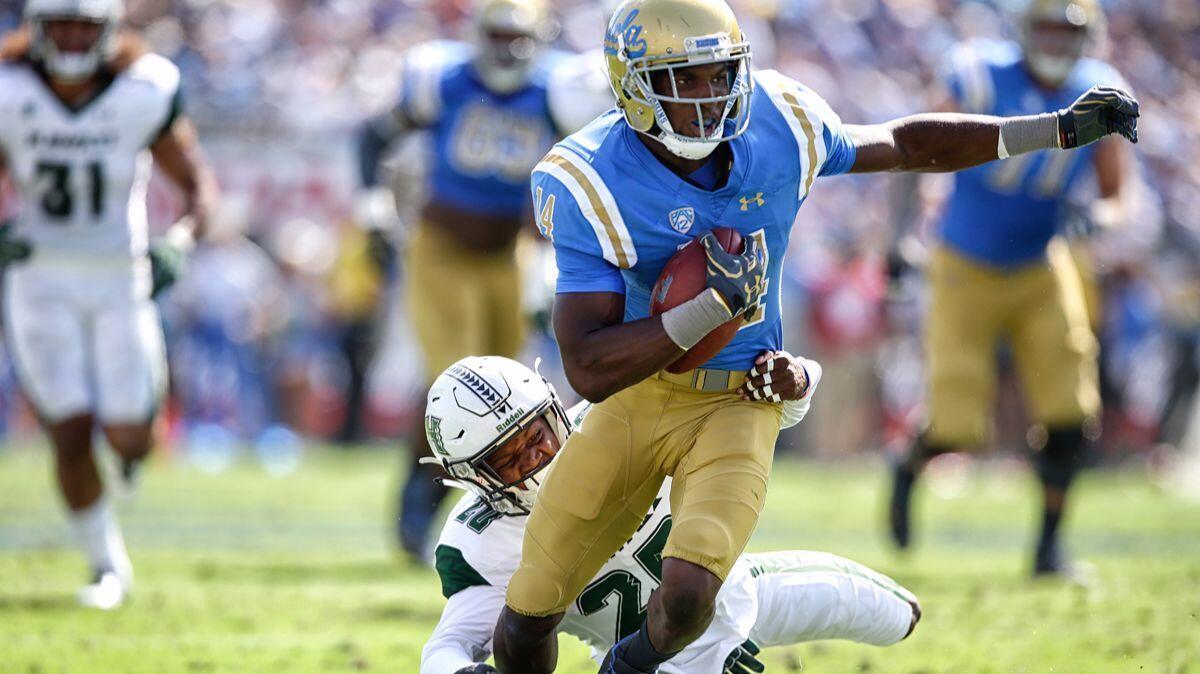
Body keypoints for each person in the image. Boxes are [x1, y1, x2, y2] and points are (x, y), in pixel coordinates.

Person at [492, 0, 1139, 671]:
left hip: (740, 399)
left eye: (722, 74)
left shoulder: (781, 121)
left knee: (688, 595)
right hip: (637, 399)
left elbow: (907, 145)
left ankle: (626, 667)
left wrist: (1054, 131)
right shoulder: (588, 175)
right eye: (688, 78)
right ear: (633, 82)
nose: (713, 96)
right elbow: (591, 368)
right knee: (530, 610)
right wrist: (711, 307)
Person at [421, 355, 920, 674]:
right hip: (641, 662)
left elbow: (768, 401)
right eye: (509, 458)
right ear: (472, 477)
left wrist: (798, 378)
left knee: (903, 617)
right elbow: (447, 647)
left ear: (556, 407)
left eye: (538, 433)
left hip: (739, 592)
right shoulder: (481, 541)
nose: (539, 458)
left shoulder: (614, 425)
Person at [887, 0, 1136, 576]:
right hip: (962, 263)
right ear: (1024, 29)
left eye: (1067, 29)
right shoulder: (977, 74)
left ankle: (1048, 549)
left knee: (1072, 410)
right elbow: (913, 151)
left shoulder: (1100, 90)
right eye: (1046, 26)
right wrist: (896, 242)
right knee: (956, 424)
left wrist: (1100, 217)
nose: (1055, 39)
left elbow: (1120, 196)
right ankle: (908, 464)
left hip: (1042, 264)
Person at [0, 0, 216, 609]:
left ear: (109, 30)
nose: (70, 38)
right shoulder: (10, 88)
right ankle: (106, 566)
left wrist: (179, 239)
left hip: (121, 275)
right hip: (38, 276)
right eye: (58, 25)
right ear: (36, 30)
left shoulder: (144, 87)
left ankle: (131, 450)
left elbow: (198, 183)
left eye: (83, 25)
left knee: (129, 436)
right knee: (67, 428)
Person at [354, 0, 589, 560]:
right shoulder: (445, 79)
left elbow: (580, 172)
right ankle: (417, 503)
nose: (507, 49)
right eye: (498, 36)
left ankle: (482, 523)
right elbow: (371, 138)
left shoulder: (557, 89)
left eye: (518, 37)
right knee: (453, 380)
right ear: (478, 35)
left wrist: (552, 255)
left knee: (509, 397)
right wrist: (373, 210)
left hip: (511, 253)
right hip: (442, 248)